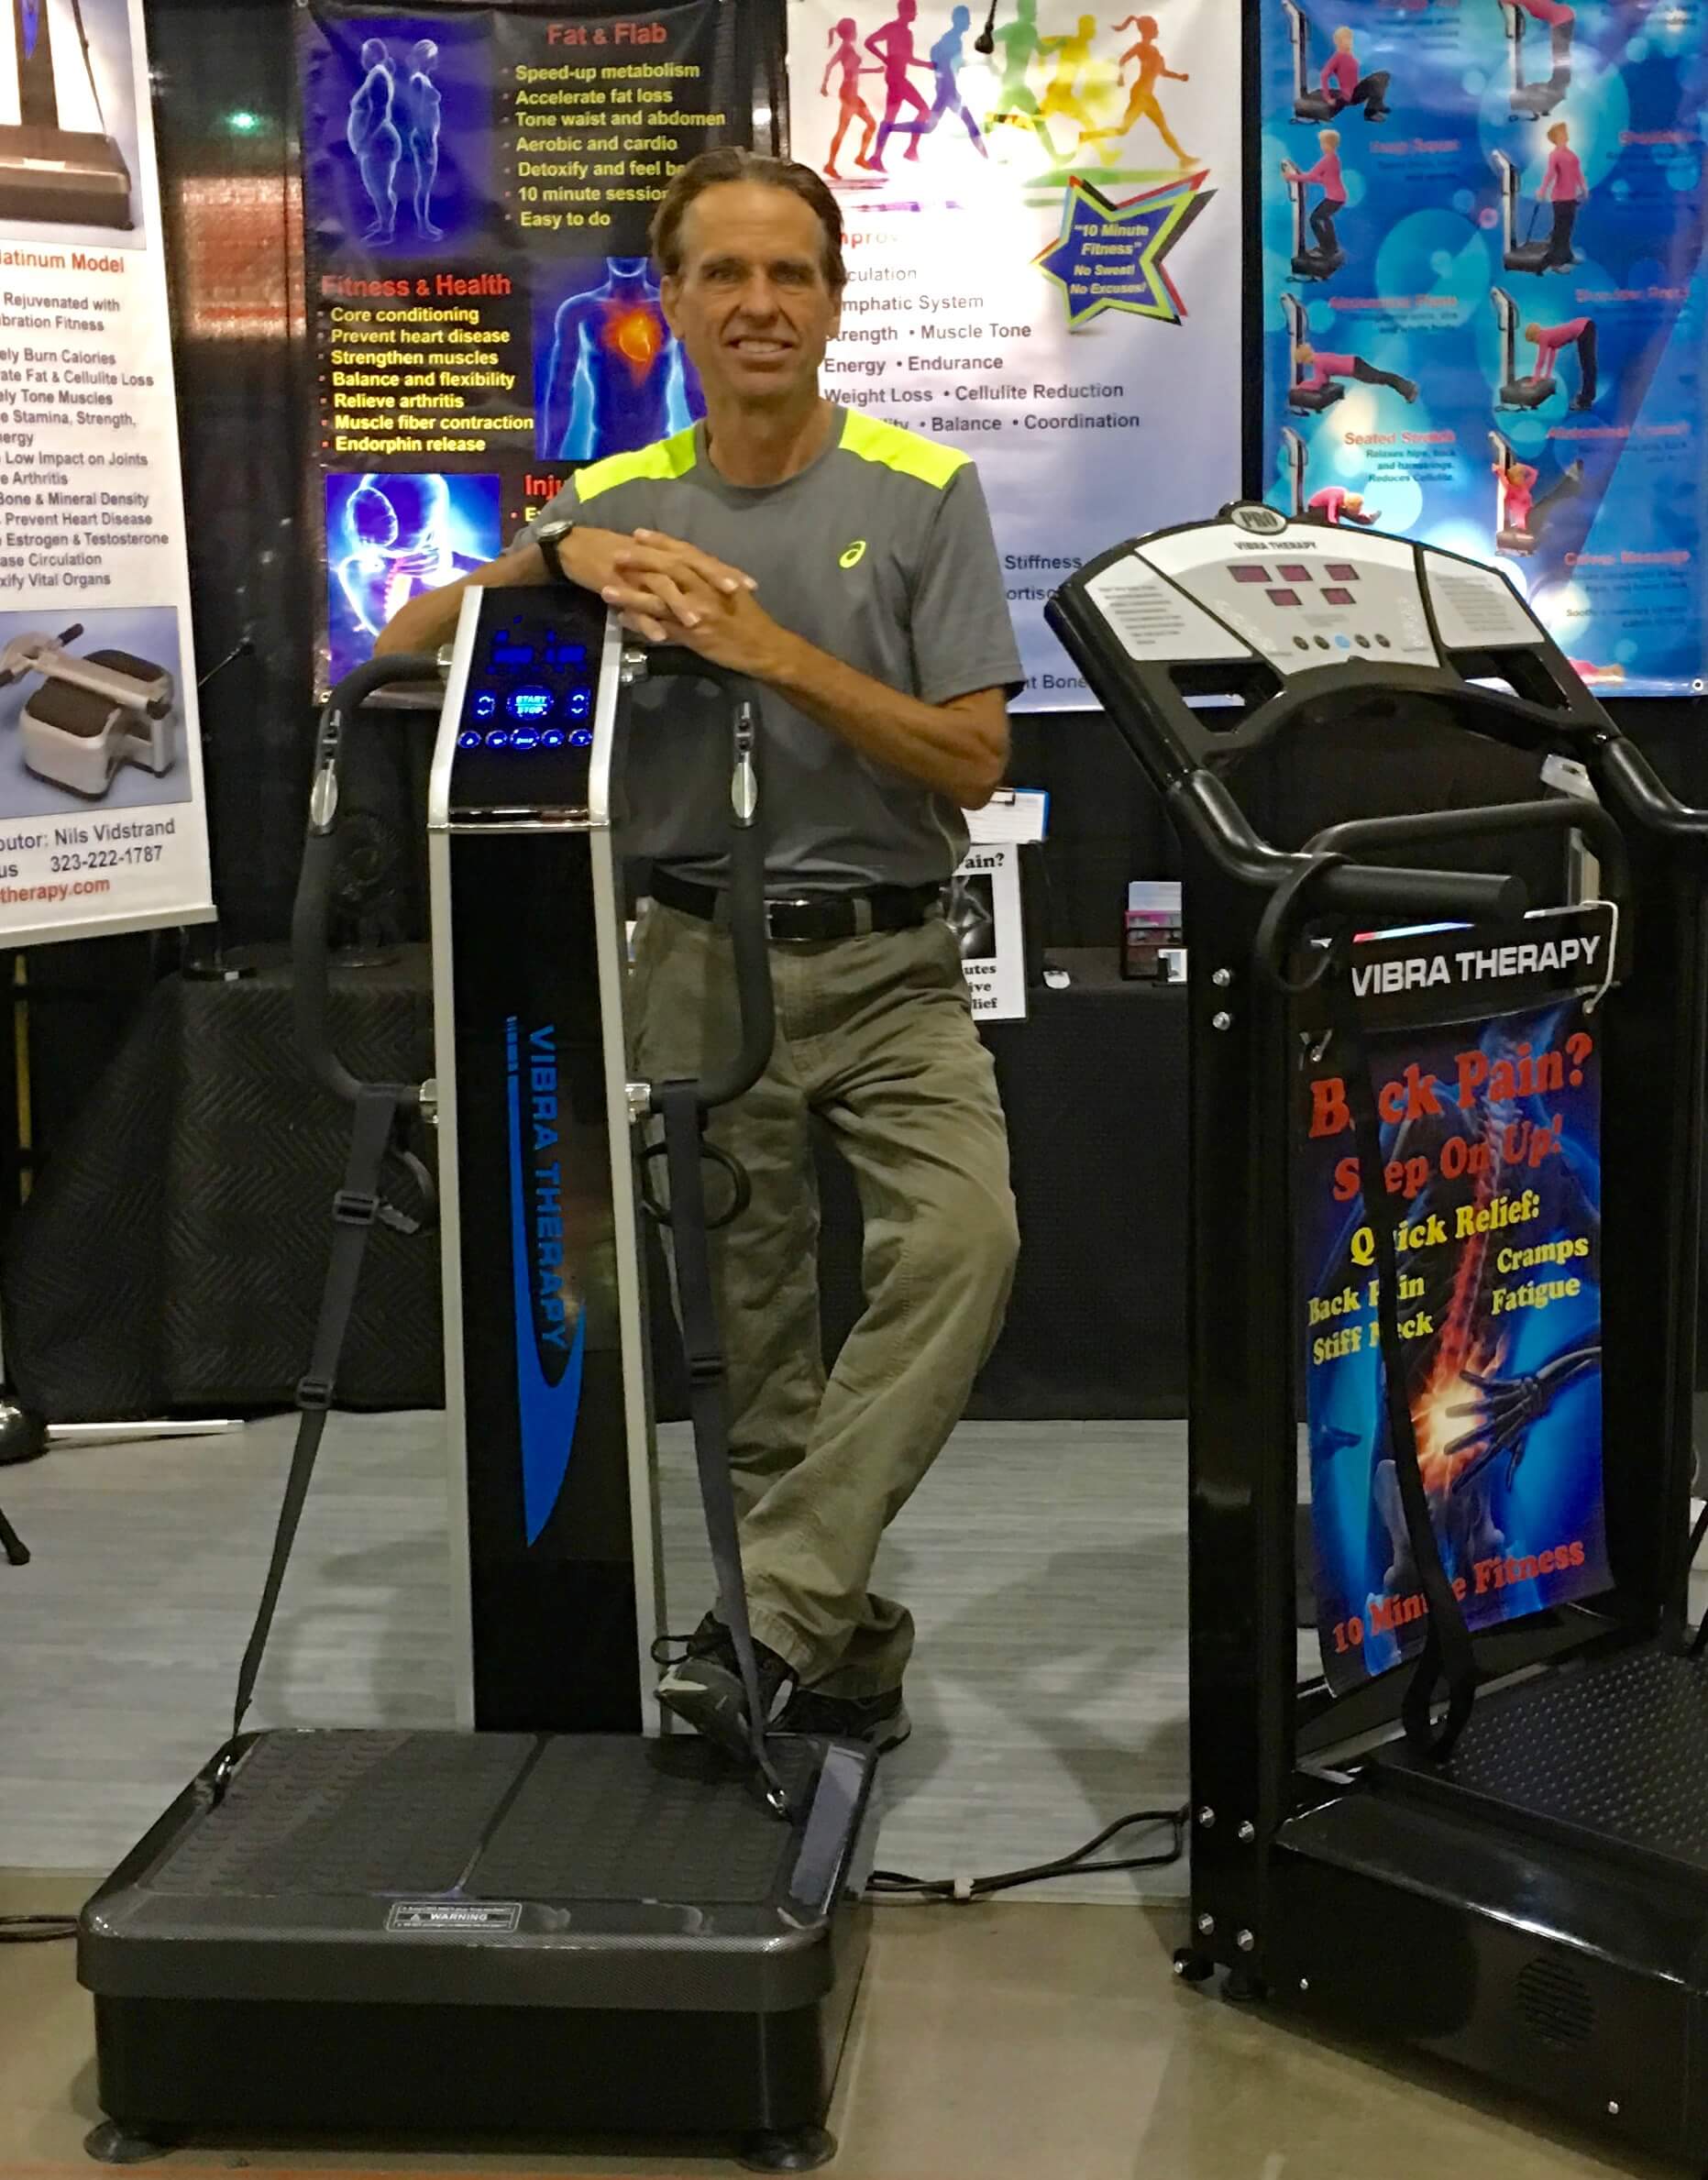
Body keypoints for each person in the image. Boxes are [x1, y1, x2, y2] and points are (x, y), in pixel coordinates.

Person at [374, 149, 1023, 1758]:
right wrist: (547, 559)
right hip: (687, 964)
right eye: (721, 274)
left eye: (787, 275)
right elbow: (392, 650)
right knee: (752, 1360)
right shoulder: (616, 499)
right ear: (669, 302)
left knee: (965, 1246)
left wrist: (768, 652)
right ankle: (840, 1646)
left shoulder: (921, 491)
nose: (755, 304)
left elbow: (969, 760)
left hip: (885, 966)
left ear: (830, 300)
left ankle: (774, 1612)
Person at [539, 257, 702, 460]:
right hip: (605, 450)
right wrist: (549, 458)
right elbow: (560, 390)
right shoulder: (580, 310)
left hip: (658, 451)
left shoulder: (673, 310)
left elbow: (695, 388)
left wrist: (711, 454)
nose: (627, 257)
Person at [1106, 15, 1193, 165]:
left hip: (1147, 95)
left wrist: (1179, 77)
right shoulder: (1140, 47)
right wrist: (1120, 77)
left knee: (1162, 127)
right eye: (1155, 27)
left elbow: (1163, 72)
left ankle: (1183, 159)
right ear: (1148, 30)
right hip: (1140, 94)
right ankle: (1087, 136)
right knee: (1123, 130)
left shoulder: (1155, 52)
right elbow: (1123, 60)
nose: (1157, 29)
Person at [866, 0, 934, 171]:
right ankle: (910, 149)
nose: (915, 14)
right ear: (905, 11)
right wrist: (885, 59)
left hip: (896, 77)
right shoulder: (892, 28)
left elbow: (908, 58)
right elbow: (869, 42)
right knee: (924, 110)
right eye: (913, 11)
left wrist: (926, 65)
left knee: (890, 117)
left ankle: (876, 157)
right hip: (896, 78)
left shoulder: (906, 33)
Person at [986, 0, 1058, 156]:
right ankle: (1055, 157)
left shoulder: (1030, 31)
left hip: (1016, 84)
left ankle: (1055, 157)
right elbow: (987, 40)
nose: (1035, 13)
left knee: (998, 122)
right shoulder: (1013, 29)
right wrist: (990, 64)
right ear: (1024, 11)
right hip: (1013, 85)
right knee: (1036, 119)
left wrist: (1059, 44)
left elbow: (1043, 51)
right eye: (1033, 9)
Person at [346, 38, 400, 243]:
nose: (362, 58)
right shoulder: (376, 75)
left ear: (375, 55)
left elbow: (378, 112)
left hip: (378, 143)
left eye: (365, 54)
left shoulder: (378, 76)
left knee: (379, 188)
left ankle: (386, 230)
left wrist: (365, 140)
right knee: (378, 187)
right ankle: (384, 220)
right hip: (376, 143)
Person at [919, 6, 989, 157]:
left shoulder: (951, 39)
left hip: (948, 90)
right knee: (968, 125)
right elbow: (950, 64)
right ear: (959, 20)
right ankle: (890, 128)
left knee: (929, 127)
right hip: (947, 92)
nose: (968, 23)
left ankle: (987, 156)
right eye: (966, 19)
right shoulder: (952, 40)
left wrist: (978, 63)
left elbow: (949, 62)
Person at [396, 39, 443, 242]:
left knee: (426, 184)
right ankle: (422, 226)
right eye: (434, 56)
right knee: (423, 184)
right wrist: (424, 142)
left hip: (427, 136)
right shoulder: (418, 80)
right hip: (423, 136)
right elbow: (416, 112)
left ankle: (424, 223)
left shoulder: (422, 79)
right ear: (427, 58)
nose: (437, 60)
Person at [821, 17, 879, 178]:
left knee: (870, 124)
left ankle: (857, 157)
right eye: (854, 30)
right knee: (843, 130)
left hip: (852, 94)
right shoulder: (845, 49)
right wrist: (824, 85)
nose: (856, 32)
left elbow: (853, 71)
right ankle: (831, 165)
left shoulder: (847, 49)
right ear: (850, 32)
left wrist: (875, 71)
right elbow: (830, 65)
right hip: (848, 94)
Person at [1282, 127, 1347, 260]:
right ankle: (1330, 247)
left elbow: (1312, 177)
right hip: (1338, 197)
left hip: (1334, 198)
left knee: (1315, 219)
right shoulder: (1334, 158)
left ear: (1328, 144)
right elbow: (1324, 178)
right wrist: (1301, 175)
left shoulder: (1327, 160)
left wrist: (1291, 177)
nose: (1321, 146)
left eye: (1322, 143)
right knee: (1324, 218)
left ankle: (1326, 249)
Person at [1537, 117, 1587, 271]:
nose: (1566, 134)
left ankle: (1567, 256)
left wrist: (1584, 188)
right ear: (1557, 136)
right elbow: (1550, 174)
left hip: (1571, 197)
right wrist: (1542, 190)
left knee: (1567, 229)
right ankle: (1556, 263)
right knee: (1559, 230)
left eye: (1565, 131)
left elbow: (1577, 172)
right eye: (1563, 132)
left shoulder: (1571, 154)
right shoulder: (1555, 154)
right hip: (1559, 198)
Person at [1294, 342, 1417, 402]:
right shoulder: (1320, 357)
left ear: (1305, 359)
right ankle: (1407, 386)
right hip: (1355, 362)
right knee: (1382, 377)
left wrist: (1301, 386)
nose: (1305, 364)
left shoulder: (1318, 362)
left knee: (1382, 378)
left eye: (1303, 361)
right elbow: (1324, 380)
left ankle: (1409, 389)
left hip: (1356, 369)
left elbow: (1318, 384)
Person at [1523, 314, 1596, 410]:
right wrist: (1547, 375)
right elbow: (1551, 357)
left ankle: (1586, 401)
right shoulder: (1549, 336)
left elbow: (1541, 361)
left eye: (1533, 341)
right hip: (1584, 326)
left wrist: (1534, 381)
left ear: (1535, 335)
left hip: (1584, 327)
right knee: (1587, 365)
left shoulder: (1543, 337)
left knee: (1588, 365)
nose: (1535, 343)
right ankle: (1587, 396)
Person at [1319, 24, 1390, 121]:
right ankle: (1370, 113)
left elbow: (1350, 76)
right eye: (1346, 39)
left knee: (1384, 75)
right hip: (1349, 96)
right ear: (1338, 41)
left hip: (1356, 91)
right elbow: (1324, 75)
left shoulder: (1349, 56)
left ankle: (1377, 105)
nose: (1350, 41)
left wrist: (1363, 84)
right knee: (1378, 79)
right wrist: (1327, 98)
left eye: (1350, 38)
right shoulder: (1337, 57)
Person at [1307, 484, 1380, 526]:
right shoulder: (1334, 498)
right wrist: (1336, 525)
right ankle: (1368, 520)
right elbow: (1331, 515)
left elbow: (1354, 506)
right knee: (1343, 511)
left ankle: (1369, 518)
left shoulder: (1345, 494)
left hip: (1329, 506)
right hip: (1315, 508)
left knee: (1344, 511)